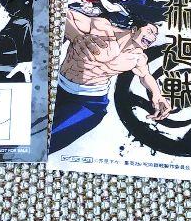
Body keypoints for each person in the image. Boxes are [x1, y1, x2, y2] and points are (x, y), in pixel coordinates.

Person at [48, 12, 171, 154]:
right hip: (57, 87)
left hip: (89, 101)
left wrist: (157, 95)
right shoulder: (101, 28)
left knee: (46, 141)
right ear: (134, 29)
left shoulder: (137, 58)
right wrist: (76, 36)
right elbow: (61, 14)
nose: (153, 37)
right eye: (150, 31)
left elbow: (145, 76)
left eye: (155, 35)